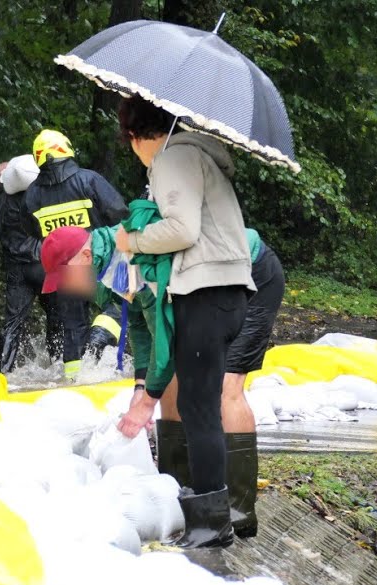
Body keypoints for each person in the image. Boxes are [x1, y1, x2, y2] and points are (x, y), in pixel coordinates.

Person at [112, 95, 256, 549]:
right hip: (230, 292)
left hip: (206, 293)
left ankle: (211, 524)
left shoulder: (174, 157)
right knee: (200, 403)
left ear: (137, 136)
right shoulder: (199, 155)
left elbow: (182, 231)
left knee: (198, 407)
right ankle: (212, 509)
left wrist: (130, 240)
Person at [155, 228, 286, 539]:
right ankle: (179, 493)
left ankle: (237, 509)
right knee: (173, 379)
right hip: (203, 287)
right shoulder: (120, 270)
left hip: (251, 277)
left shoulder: (142, 256)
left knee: (225, 386)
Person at [22, 130, 129, 380]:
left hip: (62, 269)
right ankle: (100, 339)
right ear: (66, 149)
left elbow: (31, 230)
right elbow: (120, 214)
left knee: (72, 326)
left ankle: (73, 381)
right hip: (100, 260)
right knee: (120, 305)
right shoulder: (89, 181)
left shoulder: (32, 196)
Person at [38, 225, 158, 394]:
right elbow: (138, 326)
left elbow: (166, 334)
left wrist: (148, 400)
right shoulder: (102, 272)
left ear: (86, 256)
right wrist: (140, 386)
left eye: (67, 276)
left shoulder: (131, 258)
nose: (65, 285)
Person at [0, 154, 64, 373]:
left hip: (18, 271)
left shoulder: (3, 201)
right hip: (45, 267)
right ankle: (59, 367)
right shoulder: (43, 198)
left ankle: (3, 372)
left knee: (12, 324)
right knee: (56, 317)